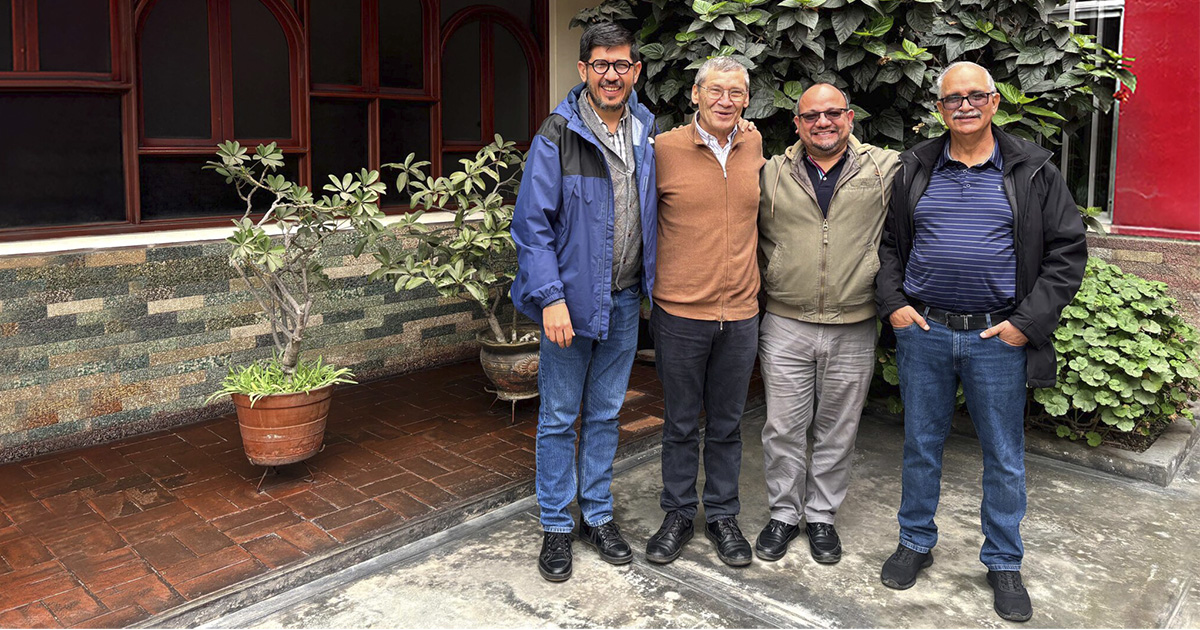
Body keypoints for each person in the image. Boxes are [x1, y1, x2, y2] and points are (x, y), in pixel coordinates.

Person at [875, 61, 1087, 622]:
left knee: (1004, 454)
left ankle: (1003, 561)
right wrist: (895, 305)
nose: (963, 106)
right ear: (939, 109)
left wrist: (1027, 323)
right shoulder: (915, 167)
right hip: (926, 331)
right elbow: (889, 246)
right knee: (921, 444)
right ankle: (915, 542)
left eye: (974, 96)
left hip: (999, 336)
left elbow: (1067, 253)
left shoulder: (1033, 170)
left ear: (995, 103)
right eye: (952, 99)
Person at [510, 21, 658, 583]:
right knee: (557, 418)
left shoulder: (646, 127)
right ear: (583, 71)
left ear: (635, 70)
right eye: (601, 65)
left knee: (605, 413)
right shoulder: (558, 132)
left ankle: (595, 515)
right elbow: (532, 226)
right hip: (568, 307)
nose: (612, 75)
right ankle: (555, 524)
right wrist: (549, 298)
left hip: (622, 304)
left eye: (621, 64)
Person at [754, 84, 899, 564]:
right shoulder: (770, 173)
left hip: (854, 323)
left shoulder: (884, 168)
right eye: (811, 115)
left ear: (850, 117)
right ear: (796, 123)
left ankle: (820, 517)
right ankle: (782, 514)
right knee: (783, 428)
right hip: (785, 322)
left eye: (833, 113)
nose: (823, 122)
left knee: (838, 428)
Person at [643, 56, 765, 568]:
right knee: (678, 423)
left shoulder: (754, 145)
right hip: (679, 314)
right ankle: (676, 514)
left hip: (740, 314)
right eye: (715, 91)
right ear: (695, 94)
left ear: (746, 100)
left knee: (727, 425)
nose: (725, 101)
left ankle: (721, 515)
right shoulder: (663, 149)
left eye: (736, 93)